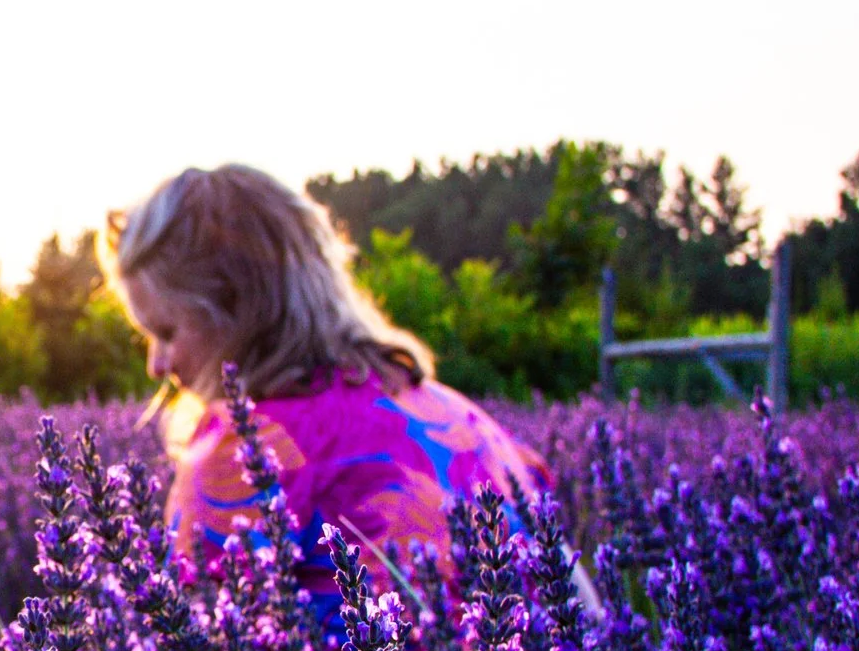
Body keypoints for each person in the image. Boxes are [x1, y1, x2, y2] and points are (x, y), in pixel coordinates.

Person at [100, 162, 554, 603]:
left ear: (236, 313)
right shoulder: (452, 412)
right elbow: (576, 602)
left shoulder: (245, 456)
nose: (155, 365)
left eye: (165, 332)